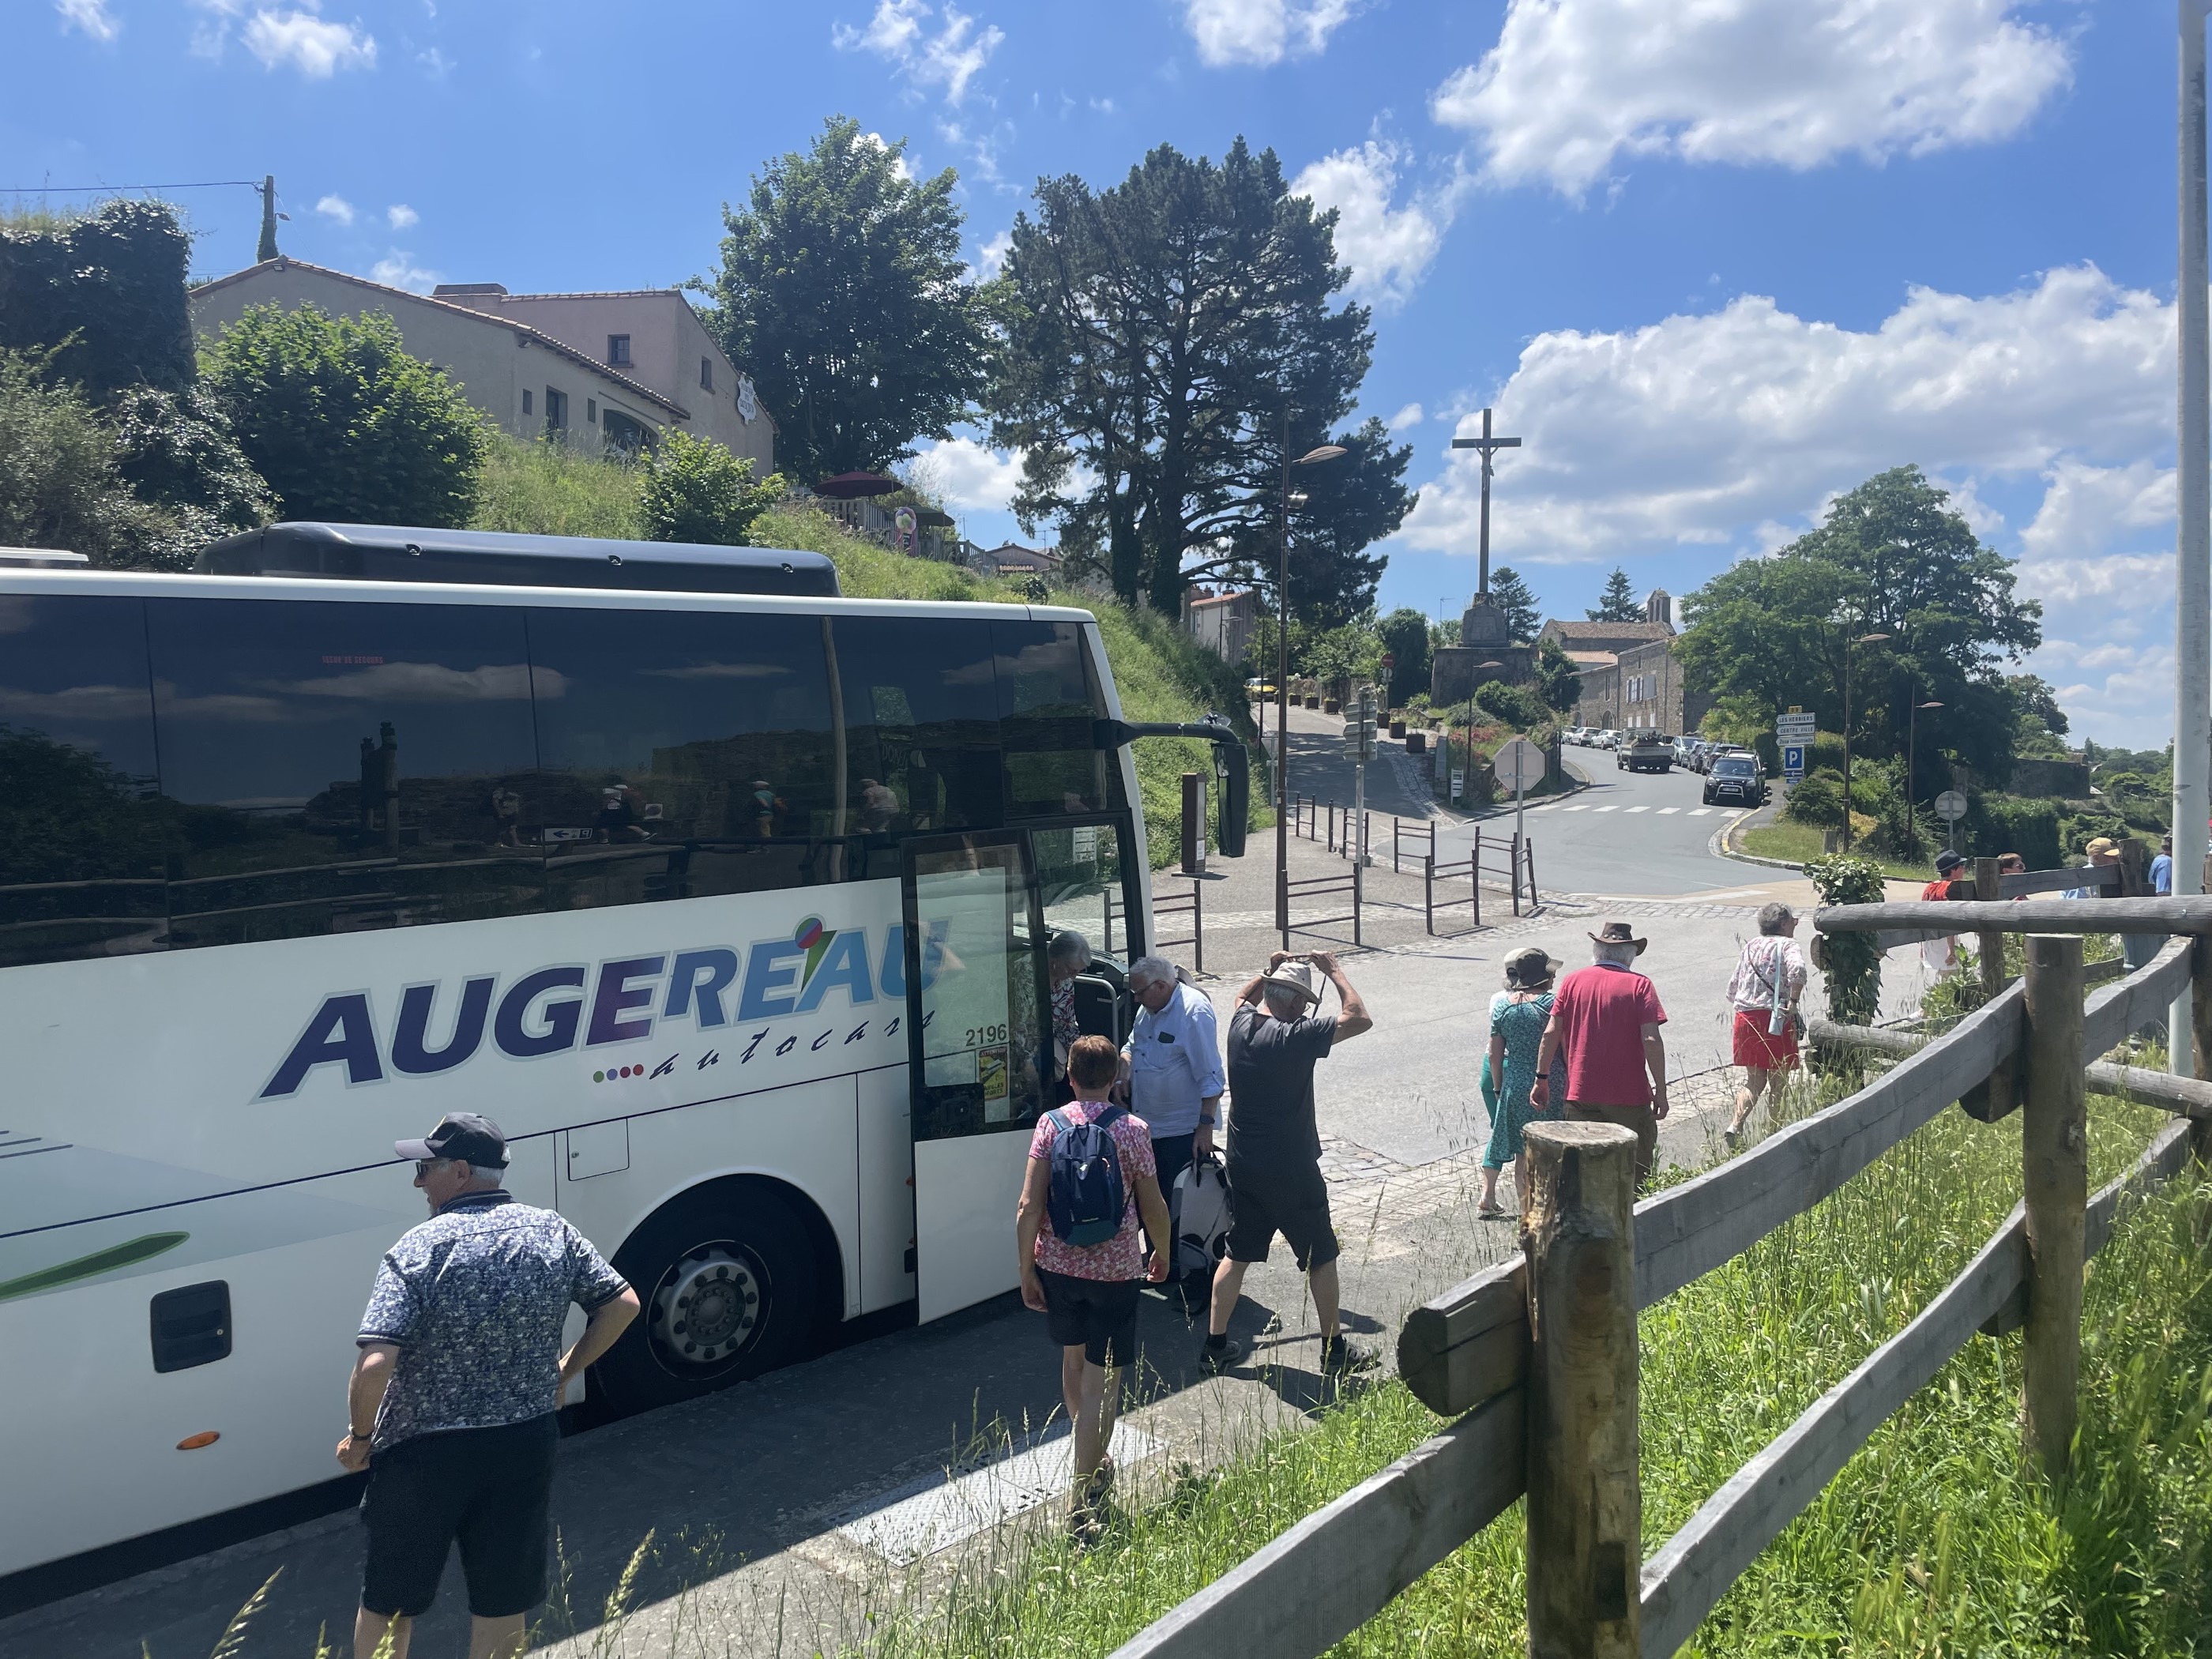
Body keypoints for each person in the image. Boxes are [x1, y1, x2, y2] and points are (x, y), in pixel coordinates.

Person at [341, 1114, 640, 1659]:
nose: (417, 1181)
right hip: (522, 1443)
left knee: (391, 1602)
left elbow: (374, 1365)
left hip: (423, 1456)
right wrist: (563, 1372)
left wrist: (360, 1437)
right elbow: (622, 1305)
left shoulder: (418, 1249)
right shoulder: (552, 1230)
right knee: (503, 1600)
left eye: (424, 1168)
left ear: (458, 1172)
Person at [1015, 1035, 1172, 1537]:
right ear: (1115, 1079)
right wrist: (1163, 1251)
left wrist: (1025, 1271)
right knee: (1104, 1383)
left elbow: (1028, 1207)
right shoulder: (1133, 1130)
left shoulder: (1049, 1124)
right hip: (1116, 1272)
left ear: (1069, 1072)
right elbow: (1152, 1204)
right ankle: (1081, 1501)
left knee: (1073, 1363)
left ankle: (1091, 1456)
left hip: (1058, 1267)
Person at [1204, 951, 1375, 1375]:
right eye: (1303, 1002)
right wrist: (1333, 971)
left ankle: (1215, 1344)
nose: (1304, 1009)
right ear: (1296, 1002)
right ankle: (1333, 1350)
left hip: (1245, 1163)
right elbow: (1359, 1017)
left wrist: (1268, 967)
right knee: (1321, 1254)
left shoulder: (1239, 1026)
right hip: (1293, 1167)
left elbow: (1241, 998)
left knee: (1237, 1252)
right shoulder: (1294, 1035)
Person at [1531, 923, 1668, 1187]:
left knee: (1584, 1172)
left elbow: (1551, 1033)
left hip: (1581, 1094)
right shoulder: (1640, 986)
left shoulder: (1572, 981)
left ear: (1596, 952)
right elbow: (1651, 1039)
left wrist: (1541, 1078)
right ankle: (1634, 1222)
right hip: (1629, 1096)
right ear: (1631, 956)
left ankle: (1587, 1226)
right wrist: (1660, 1089)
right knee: (1634, 1173)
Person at [1120, 955, 1224, 1205]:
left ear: (1160, 987)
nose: (1135, 999)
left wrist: (1205, 1128)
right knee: (1151, 1212)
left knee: (1178, 1214)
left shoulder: (1193, 1012)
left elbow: (1212, 1078)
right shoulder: (1148, 1009)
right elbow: (1132, 1044)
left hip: (1181, 1134)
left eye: (1139, 992)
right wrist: (1122, 1075)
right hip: (1148, 1130)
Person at [1477, 946, 1563, 1222]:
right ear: (1545, 977)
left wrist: (1500, 1089)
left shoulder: (1503, 1006)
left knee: (1522, 1154)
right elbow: (1566, 1046)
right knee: (1554, 1150)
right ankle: (1552, 1211)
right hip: (1552, 1081)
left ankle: (1529, 1216)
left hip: (1515, 1085)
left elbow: (1494, 1053)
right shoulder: (1553, 1004)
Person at [1722, 904, 1808, 1148]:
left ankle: (1735, 1125)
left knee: (1754, 1081)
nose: (1796, 923)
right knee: (1778, 1083)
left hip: (1746, 1018)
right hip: (1776, 1018)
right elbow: (1798, 970)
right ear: (1783, 924)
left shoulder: (1750, 946)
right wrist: (1792, 1000)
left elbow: (1732, 989)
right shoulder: (1789, 945)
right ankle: (1774, 1134)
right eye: (1793, 920)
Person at [1048, 931, 1093, 1093]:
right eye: (1071, 970)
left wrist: (1079, 1054)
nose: (1074, 977)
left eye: (1078, 972)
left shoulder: (1066, 983)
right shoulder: (1024, 973)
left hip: (1049, 1049)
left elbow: (1067, 1023)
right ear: (1055, 961)